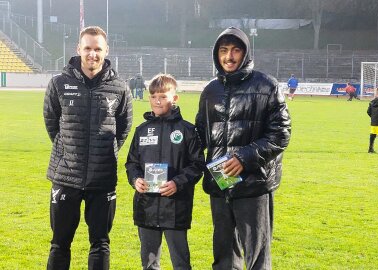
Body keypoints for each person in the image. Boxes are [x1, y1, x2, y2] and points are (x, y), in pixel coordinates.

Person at [195, 27, 291, 270]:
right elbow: (200, 135)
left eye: (236, 50)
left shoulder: (267, 85)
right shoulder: (210, 91)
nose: (229, 57)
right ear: (216, 54)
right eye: (224, 50)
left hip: (253, 183)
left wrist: (244, 158)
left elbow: (281, 134)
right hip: (221, 182)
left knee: (257, 258)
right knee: (224, 256)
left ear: (246, 53)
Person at [43, 26, 133, 270]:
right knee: (59, 243)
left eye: (97, 49)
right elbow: (52, 123)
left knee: (100, 243)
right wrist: (68, 149)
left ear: (106, 51)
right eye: (88, 48)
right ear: (78, 49)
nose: (92, 54)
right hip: (66, 177)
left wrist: (104, 153)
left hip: (102, 179)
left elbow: (123, 128)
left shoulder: (120, 87)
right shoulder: (59, 84)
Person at [125, 73, 205, 270]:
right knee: (150, 264)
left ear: (174, 98)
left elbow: (197, 165)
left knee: (180, 262)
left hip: (175, 207)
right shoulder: (142, 130)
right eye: (153, 96)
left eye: (162, 96)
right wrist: (135, 179)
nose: (157, 101)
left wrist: (177, 183)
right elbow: (131, 163)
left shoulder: (187, 131)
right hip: (147, 207)